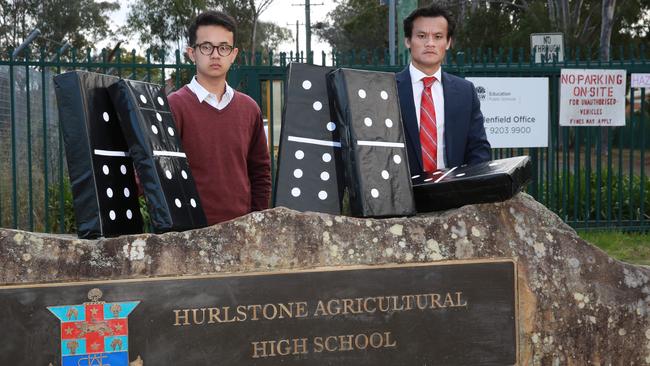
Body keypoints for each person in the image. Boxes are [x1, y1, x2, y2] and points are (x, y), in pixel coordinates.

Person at [168, 10, 271, 225]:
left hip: (241, 231)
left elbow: (260, 171)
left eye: (223, 48)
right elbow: (162, 171)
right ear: (191, 53)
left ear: (233, 54)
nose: (215, 55)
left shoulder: (249, 109)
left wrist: (256, 221)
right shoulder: (174, 106)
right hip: (189, 232)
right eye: (206, 47)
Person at [396, 4, 491, 176]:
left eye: (438, 36)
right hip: (400, 195)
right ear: (408, 41)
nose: (430, 43)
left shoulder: (465, 92)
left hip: (454, 195)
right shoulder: (389, 89)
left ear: (448, 43)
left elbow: (478, 148)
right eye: (422, 36)